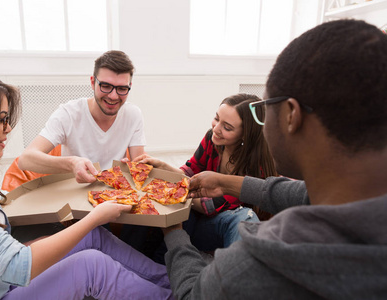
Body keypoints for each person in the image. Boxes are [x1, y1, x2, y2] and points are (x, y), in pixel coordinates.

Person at [162, 19, 387, 299]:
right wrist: (224, 181)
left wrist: (172, 229)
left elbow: (190, 294)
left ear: (292, 115)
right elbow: (297, 193)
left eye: (265, 109)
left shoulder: (257, 263)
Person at [0, 66, 173, 299]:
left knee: (92, 236)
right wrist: (95, 216)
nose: (8, 128)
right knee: (91, 266)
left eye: (122, 89)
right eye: (1, 119)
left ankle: (175, 282)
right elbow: (15, 265)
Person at [133, 94, 277, 252]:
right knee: (156, 202)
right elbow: (191, 171)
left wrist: (169, 189)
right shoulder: (212, 138)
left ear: (245, 134)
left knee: (242, 217)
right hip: (196, 216)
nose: (216, 129)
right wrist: (164, 167)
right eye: (217, 118)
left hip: (217, 224)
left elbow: (209, 206)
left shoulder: (255, 167)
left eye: (227, 127)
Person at [18, 50, 145, 182]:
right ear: (92, 82)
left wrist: (132, 167)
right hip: (74, 191)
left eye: (122, 89)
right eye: (106, 86)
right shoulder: (68, 113)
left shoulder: (133, 114)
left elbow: (139, 170)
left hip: (115, 191)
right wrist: (72, 163)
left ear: (129, 86)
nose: (113, 96)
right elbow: (25, 160)